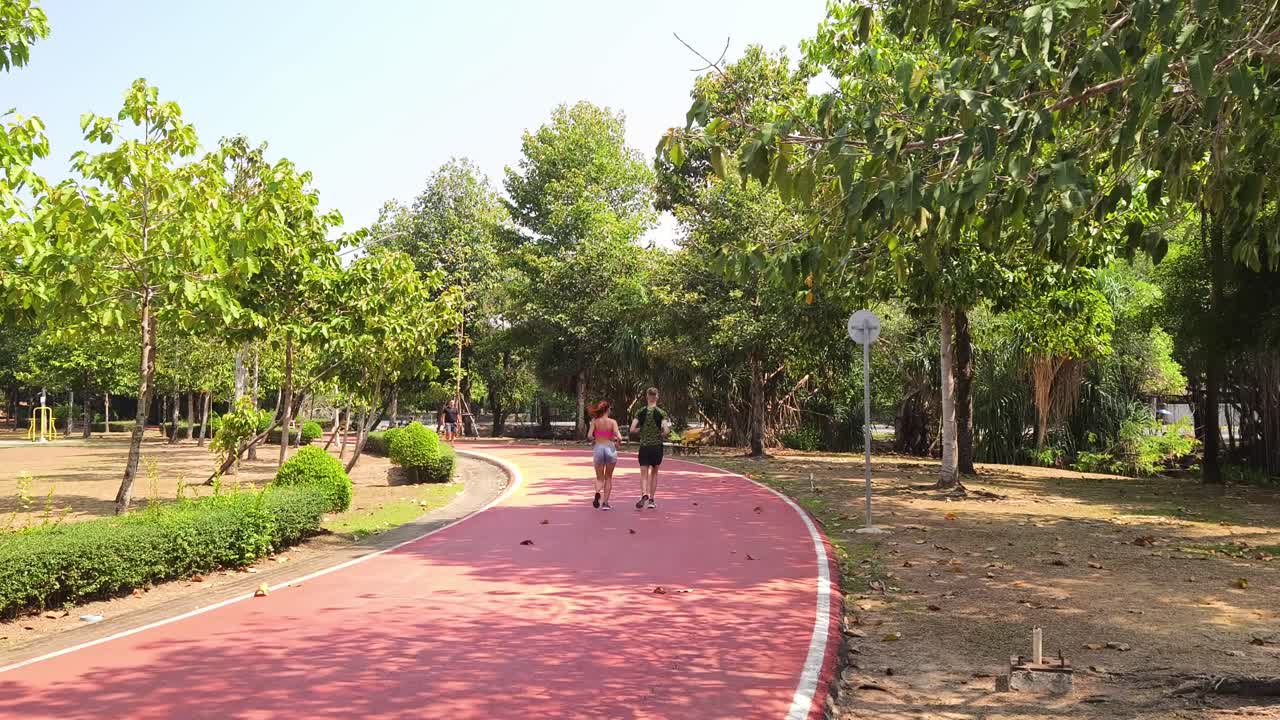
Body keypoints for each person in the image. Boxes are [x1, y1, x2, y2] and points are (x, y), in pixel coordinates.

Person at [629, 387, 670, 510]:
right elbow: (666, 430)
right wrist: (662, 434)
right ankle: (651, 500)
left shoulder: (640, 412)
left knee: (643, 473)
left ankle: (644, 494)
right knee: (654, 473)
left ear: (647, 397)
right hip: (656, 447)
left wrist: (641, 430)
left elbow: (632, 430)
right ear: (657, 397)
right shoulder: (661, 413)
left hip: (644, 446)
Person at [587, 401, 622, 510]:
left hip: (598, 448)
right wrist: (617, 443)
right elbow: (619, 437)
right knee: (608, 477)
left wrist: (594, 440)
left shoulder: (595, 421)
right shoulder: (612, 422)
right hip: (610, 448)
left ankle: (597, 492)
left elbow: (589, 435)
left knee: (599, 477)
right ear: (607, 410)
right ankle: (605, 503)